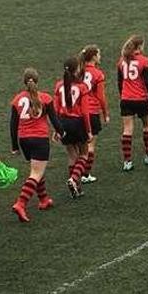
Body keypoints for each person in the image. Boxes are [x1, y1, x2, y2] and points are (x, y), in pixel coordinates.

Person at [10, 68, 65, 223]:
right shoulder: (45, 98)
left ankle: (43, 199)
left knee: (36, 169)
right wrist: (62, 132)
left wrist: (15, 146)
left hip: (24, 140)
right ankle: (21, 203)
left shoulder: (17, 99)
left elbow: (13, 125)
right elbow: (54, 120)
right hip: (39, 139)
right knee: (36, 172)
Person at [117, 35, 148, 171]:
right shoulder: (144, 61)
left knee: (127, 129)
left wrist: (122, 96)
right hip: (141, 99)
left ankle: (127, 161)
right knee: (147, 126)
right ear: (139, 47)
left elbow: (119, 82)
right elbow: (147, 83)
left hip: (126, 99)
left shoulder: (121, 61)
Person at [54, 56, 92, 199]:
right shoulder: (82, 87)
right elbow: (85, 112)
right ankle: (74, 180)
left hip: (63, 122)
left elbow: (56, 109)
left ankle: (77, 187)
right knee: (84, 154)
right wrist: (88, 130)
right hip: (77, 123)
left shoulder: (59, 86)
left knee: (71, 155)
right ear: (77, 70)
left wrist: (57, 129)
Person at [80, 45, 109, 184]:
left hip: (78, 112)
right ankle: (85, 174)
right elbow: (101, 97)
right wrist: (105, 113)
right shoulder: (98, 74)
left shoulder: (78, 71)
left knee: (79, 147)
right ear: (93, 57)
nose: (100, 56)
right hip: (91, 112)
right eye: (99, 54)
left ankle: (76, 172)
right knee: (90, 146)